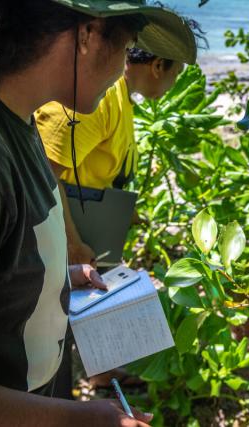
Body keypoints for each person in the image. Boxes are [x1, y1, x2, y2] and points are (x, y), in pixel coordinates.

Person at [0, 1, 190, 425]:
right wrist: (81, 420)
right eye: (126, 47)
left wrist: (55, 275)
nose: (126, 66)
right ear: (88, 34)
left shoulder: (19, 120)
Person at [35, 27, 198, 265]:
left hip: (85, 235)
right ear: (158, 65)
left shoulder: (122, 99)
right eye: (177, 73)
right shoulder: (100, 97)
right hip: (56, 247)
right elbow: (41, 172)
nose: (174, 83)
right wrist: (72, 246)